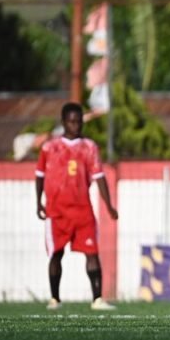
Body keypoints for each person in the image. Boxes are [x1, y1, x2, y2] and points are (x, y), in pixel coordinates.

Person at [34, 102, 118, 310]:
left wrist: (109, 205)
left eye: (79, 121)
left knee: (92, 253)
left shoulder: (89, 147)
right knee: (56, 254)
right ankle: (55, 299)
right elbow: (40, 175)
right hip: (57, 210)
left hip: (82, 210)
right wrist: (38, 202)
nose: (76, 125)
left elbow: (99, 176)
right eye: (71, 122)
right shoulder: (49, 147)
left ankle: (97, 299)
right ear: (63, 122)